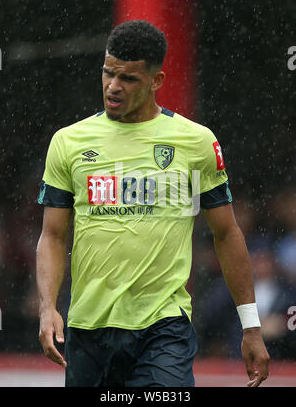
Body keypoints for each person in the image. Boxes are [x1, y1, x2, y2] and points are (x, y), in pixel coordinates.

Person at [36, 20, 270, 387]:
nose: (113, 87)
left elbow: (226, 233)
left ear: (156, 81)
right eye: (107, 73)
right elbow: (52, 235)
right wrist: (47, 307)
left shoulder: (195, 142)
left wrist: (251, 326)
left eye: (127, 78)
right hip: (89, 329)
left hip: (164, 327)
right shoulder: (68, 142)